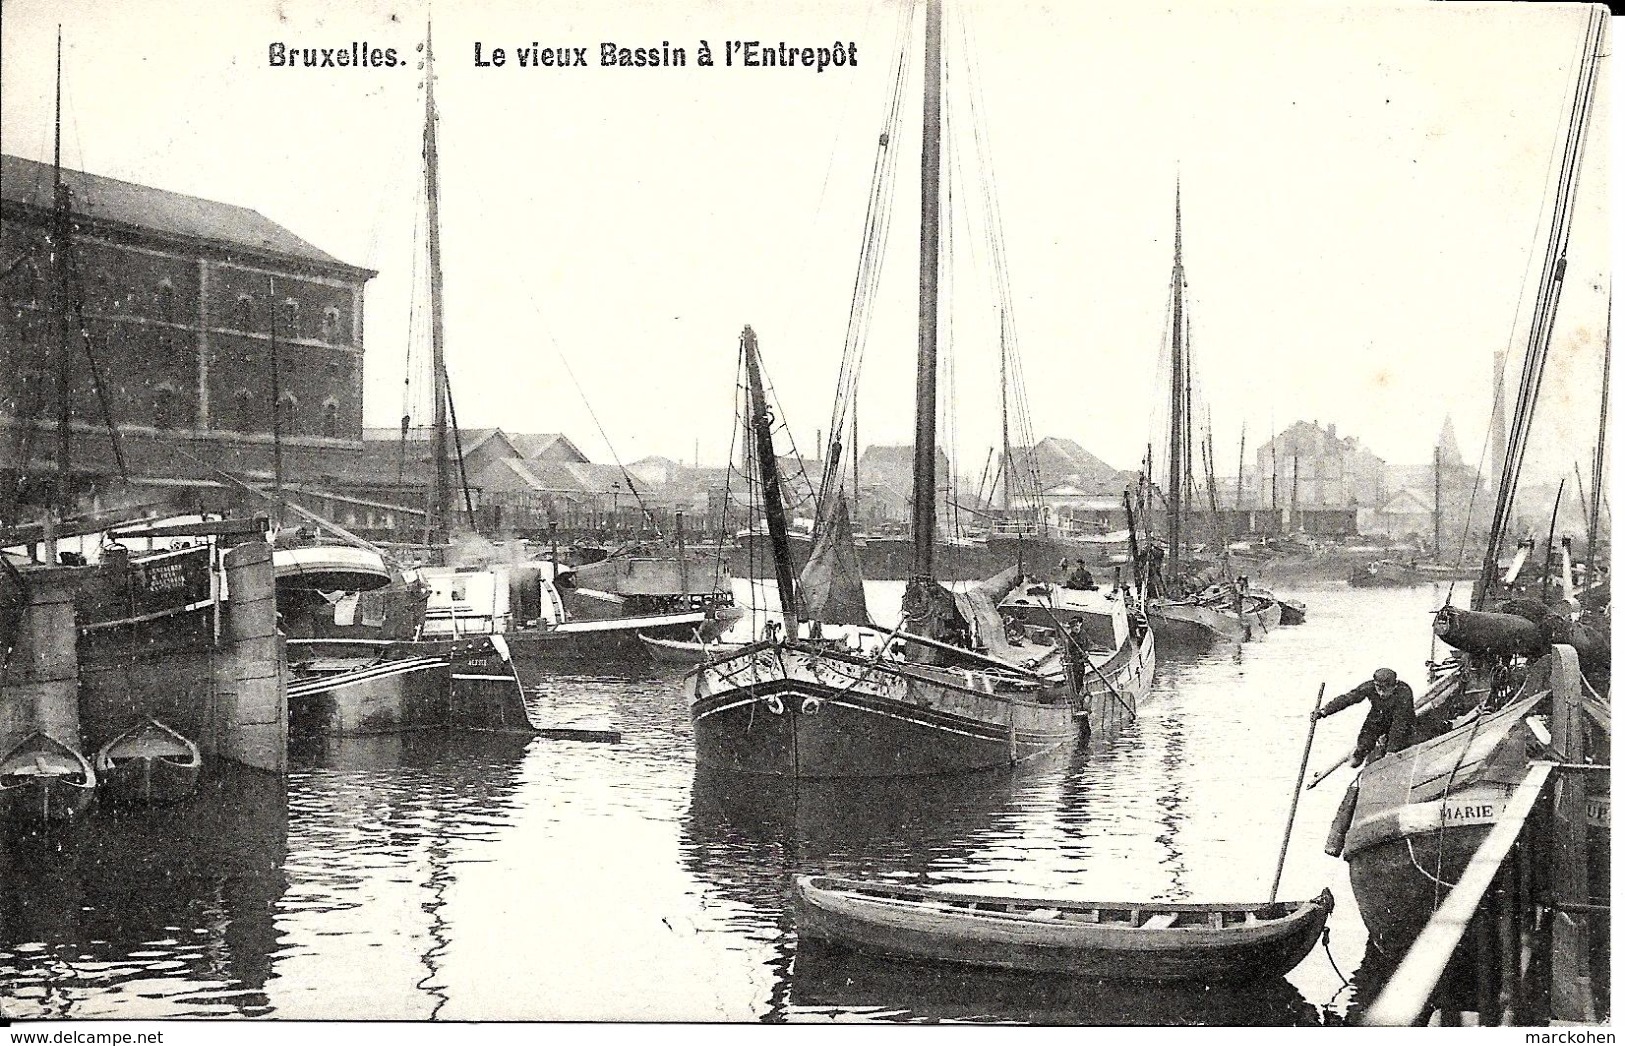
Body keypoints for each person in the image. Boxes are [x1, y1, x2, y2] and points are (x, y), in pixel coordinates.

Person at [1314, 667, 1416, 766]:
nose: (1381, 694)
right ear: (1375, 684)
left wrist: (1391, 751)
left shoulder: (1404, 692)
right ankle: (1358, 756)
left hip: (1402, 718)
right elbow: (1348, 698)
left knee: (1401, 742)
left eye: (1385, 690)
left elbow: (1399, 724)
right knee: (1365, 741)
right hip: (1379, 716)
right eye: (1379, 689)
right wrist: (1324, 711)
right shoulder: (1369, 687)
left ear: (1394, 686)